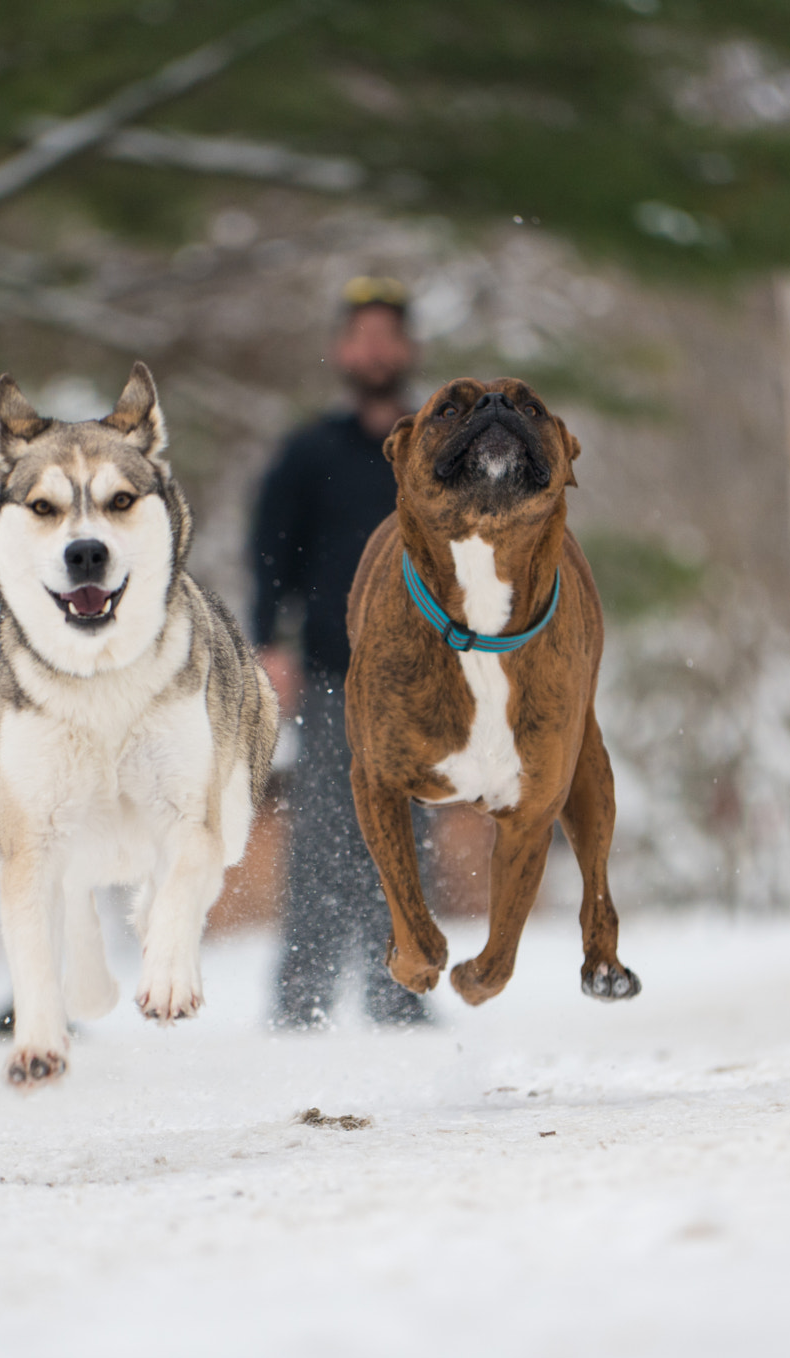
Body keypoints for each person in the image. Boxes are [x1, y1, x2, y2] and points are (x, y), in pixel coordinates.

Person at [251, 276, 431, 1029]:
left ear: (408, 350)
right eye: (363, 336)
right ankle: (304, 1000)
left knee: (405, 834)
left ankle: (401, 994)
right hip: (332, 672)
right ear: (341, 350)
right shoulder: (306, 452)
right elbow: (270, 555)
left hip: (424, 677)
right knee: (326, 832)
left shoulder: (435, 447)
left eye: (388, 335)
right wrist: (269, 645)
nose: (376, 349)